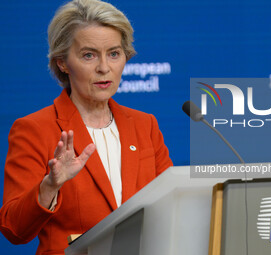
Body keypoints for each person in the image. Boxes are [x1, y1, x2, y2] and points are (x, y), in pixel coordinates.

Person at [0, 0, 173, 254]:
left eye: (114, 53)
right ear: (62, 62)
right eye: (89, 55)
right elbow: (14, 230)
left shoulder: (145, 125)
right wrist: (50, 186)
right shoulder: (34, 129)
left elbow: (169, 204)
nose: (104, 68)